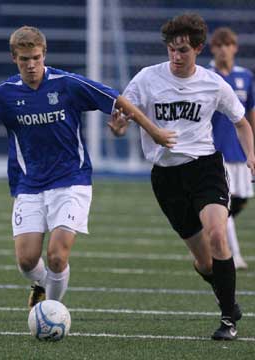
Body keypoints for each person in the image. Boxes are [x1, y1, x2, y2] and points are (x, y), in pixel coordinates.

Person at [0, 26, 176, 309]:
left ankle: (49, 311)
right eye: (24, 59)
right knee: (27, 261)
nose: (31, 65)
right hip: (29, 184)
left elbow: (119, 100)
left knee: (56, 255)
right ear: (14, 59)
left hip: (71, 181)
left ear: (45, 55)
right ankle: (41, 284)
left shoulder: (68, 84)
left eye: (36, 58)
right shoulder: (4, 94)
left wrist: (154, 131)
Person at [109, 14, 255, 340]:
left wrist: (251, 154)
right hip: (166, 177)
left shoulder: (214, 83)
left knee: (218, 234)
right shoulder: (147, 78)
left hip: (205, 168)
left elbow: (241, 121)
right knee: (204, 262)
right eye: (172, 50)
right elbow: (123, 116)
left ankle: (227, 321)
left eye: (183, 50)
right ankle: (230, 301)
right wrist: (119, 128)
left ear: (198, 49)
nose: (176, 57)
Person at [209, 27, 255, 270]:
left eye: (228, 45)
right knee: (223, 205)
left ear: (235, 48)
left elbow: (250, 113)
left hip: (240, 150)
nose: (223, 49)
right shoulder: (206, 76)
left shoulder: (245, 76)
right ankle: (233, 255)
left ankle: (211, 231)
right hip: (216, 151)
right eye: (219, 45)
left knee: (242, 200)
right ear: (212, 48)